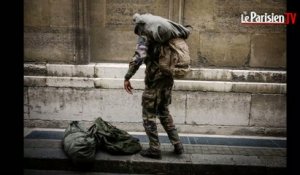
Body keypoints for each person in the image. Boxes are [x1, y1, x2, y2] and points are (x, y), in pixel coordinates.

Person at [123, 13, 190, 159]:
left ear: (140, 27)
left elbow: (138, 57)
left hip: (154, 79)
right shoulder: (166, 39)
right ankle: (177, 144)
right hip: (167, 79)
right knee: (163, 111)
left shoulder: (146, 35)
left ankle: (154, 149)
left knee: (148, 114)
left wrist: (127, 77)